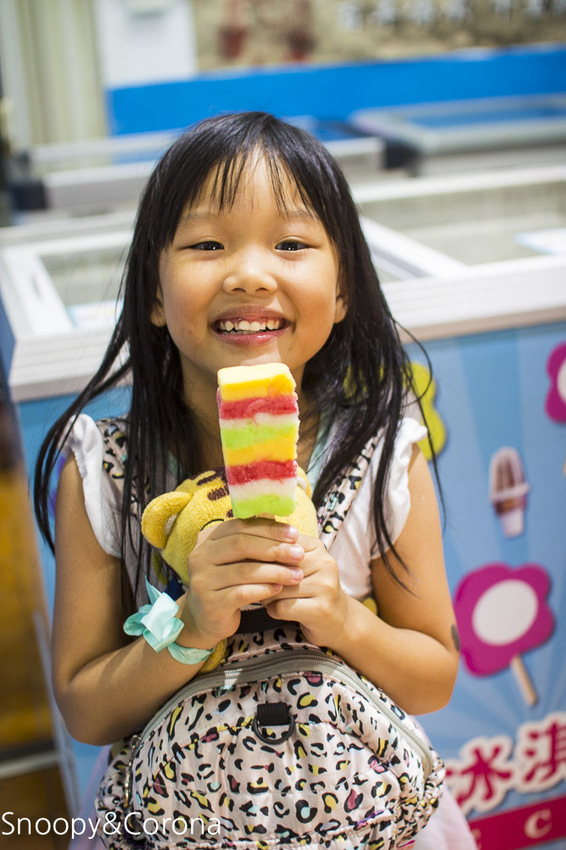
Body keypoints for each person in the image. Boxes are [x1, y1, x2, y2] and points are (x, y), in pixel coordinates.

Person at [34, 111, 475, 848]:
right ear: (153, 293)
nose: (248, 273)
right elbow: (86, 707)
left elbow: (433, 677)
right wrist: (189, 628)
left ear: (342, 291)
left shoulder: (383, 452)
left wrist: (342, 619)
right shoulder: (104, 471)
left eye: (291, 244)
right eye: (207, 244)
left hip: (363, 815)